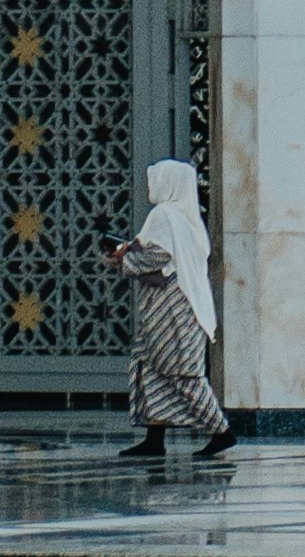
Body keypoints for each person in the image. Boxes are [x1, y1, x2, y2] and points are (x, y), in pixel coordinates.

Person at [106, 161, 227, 468]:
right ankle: (154, 437)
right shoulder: (187, 219)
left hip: (170, 309)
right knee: (151, 366)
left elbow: (156, 256)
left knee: (180, 371)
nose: (150, 187)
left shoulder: (165, 215)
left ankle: (221, 430)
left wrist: (123, 259)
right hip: (174, 306)